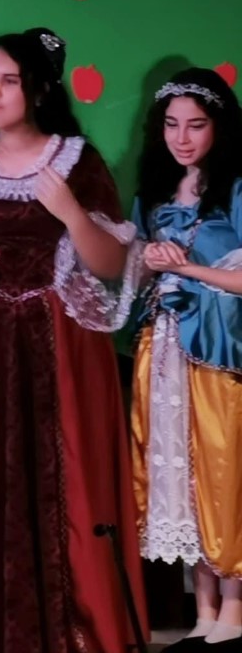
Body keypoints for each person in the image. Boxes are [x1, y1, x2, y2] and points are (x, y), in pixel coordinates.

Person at [0, 28, 147, 652]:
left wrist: (70, 212)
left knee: (68, 477)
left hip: (60, 340)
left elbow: (109, 263)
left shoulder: (77, 162)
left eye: (9, 81)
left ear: (39, 91)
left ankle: (77, 628)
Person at [130, 68, 242, 651]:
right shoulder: (154, 192)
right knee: (180, 473)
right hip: (166, 346)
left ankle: (235, 609)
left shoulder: (237, 190)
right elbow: (129, 270)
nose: (182, 137)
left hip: (221, 347)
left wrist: (186, 267)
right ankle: (203, 610)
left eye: (195, 125)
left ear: (218, 127)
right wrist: (147, 260)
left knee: (224, 469)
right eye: (172, 124)